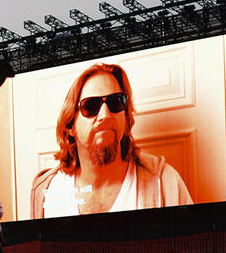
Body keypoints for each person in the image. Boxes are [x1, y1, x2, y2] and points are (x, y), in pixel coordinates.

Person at [30, 62, 193, 219]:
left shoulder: (164, 183)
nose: (105, 115)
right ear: (71, 125)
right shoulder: (46, 191)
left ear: (126, 117)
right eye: (90, 106)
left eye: (115, 102)